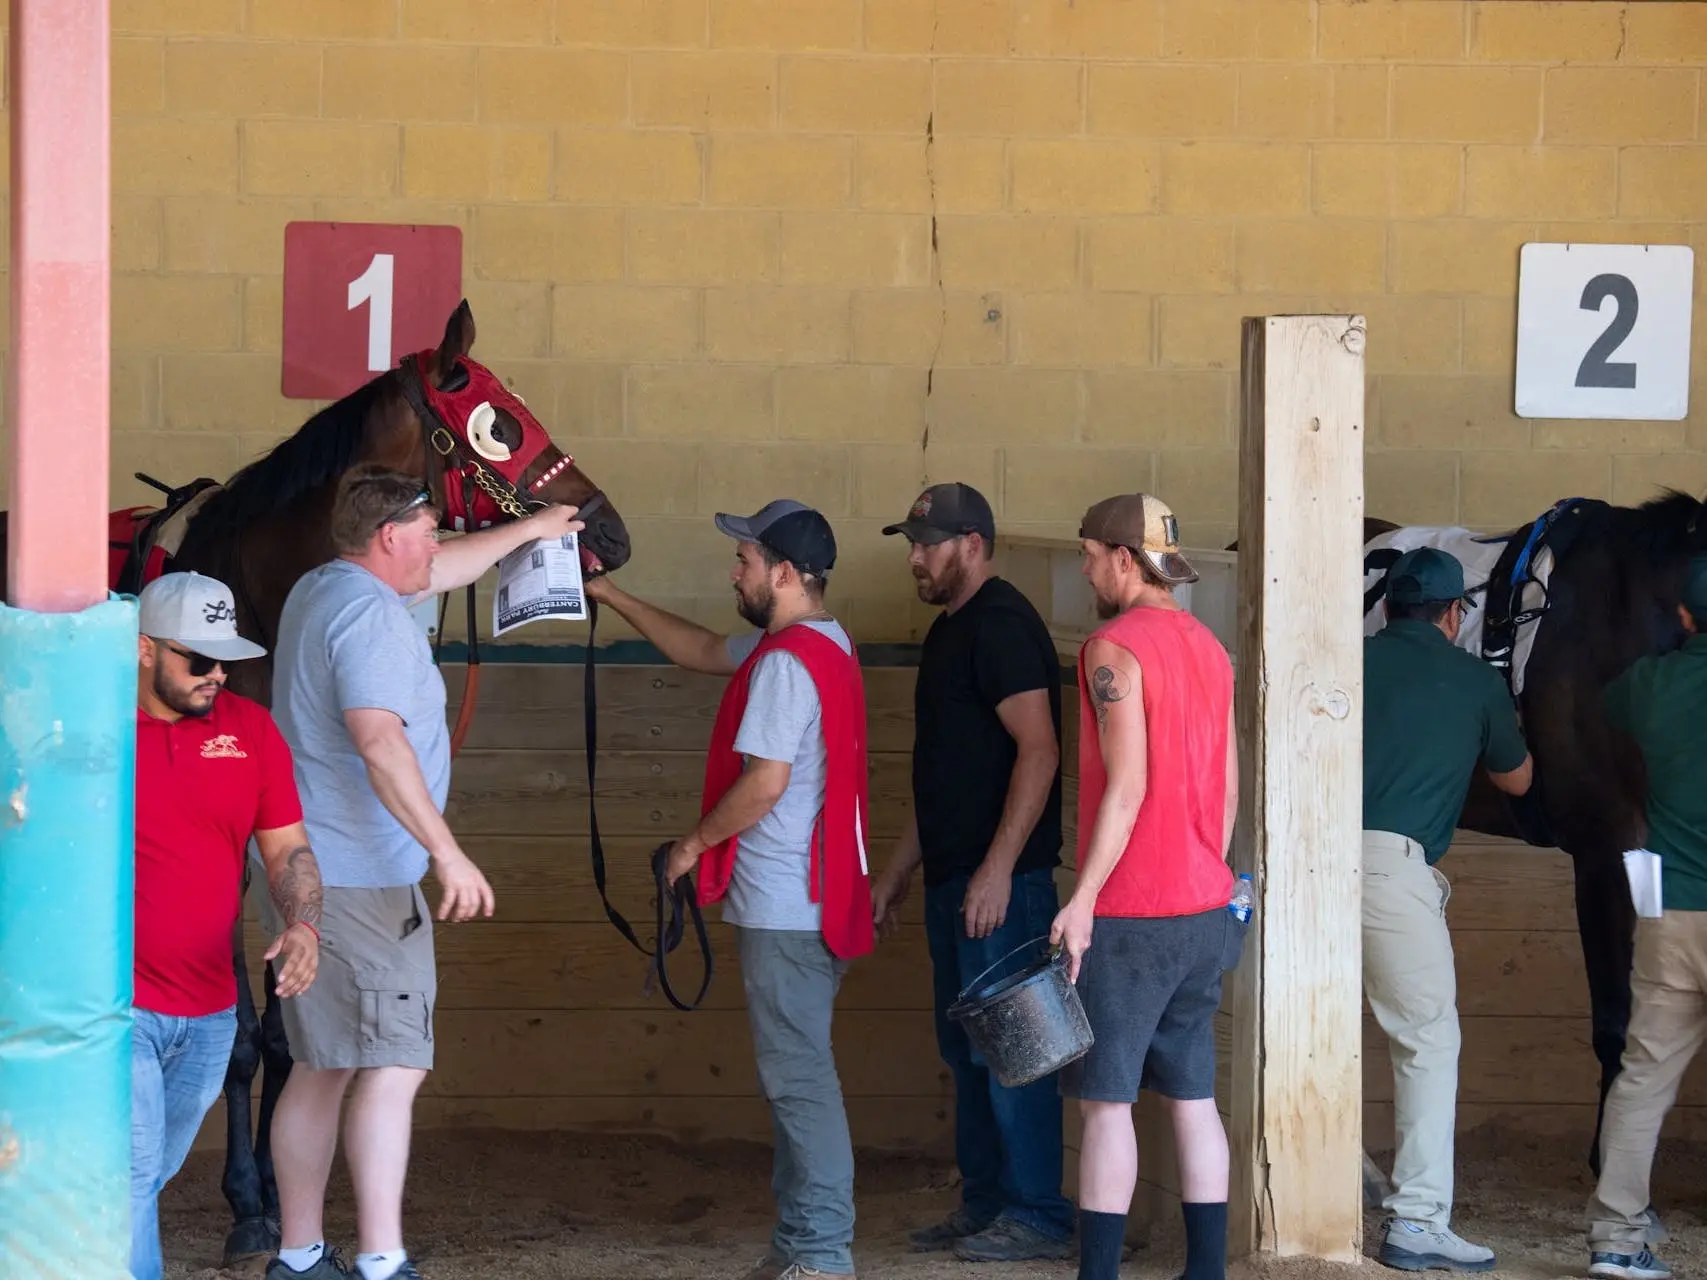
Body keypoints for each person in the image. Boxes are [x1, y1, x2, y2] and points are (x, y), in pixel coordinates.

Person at [262, 465, 583, 1280]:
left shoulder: (326, 589)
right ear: (390, 537)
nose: (438, 546)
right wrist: (447, 853)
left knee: (324, 1062)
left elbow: (444, 569)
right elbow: (379, 739)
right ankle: (378, 1258)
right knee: (394, 1063)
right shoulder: (370, 619)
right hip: (365, 878)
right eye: (428, 531)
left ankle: (300, 1255)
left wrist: (532, 530)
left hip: (314, 870)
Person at [585, 498, 871, 1280]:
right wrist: (610, 597)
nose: (733, 570)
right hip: (815, 897)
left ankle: (820, 1252)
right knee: (796, 1074)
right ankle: (799, 1245)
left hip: (788, 901)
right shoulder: (819, 642)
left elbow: (765, 785)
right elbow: (705, 649)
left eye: (744, 560)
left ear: (782, 572)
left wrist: (691, 845)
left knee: (799, 1079)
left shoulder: (783, 665)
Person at [869, 482, 1075, 1263]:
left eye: (930, 543)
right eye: (913, 543)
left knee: (1016, 1049)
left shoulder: (1002, 626)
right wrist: (895, 874)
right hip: (955, 882)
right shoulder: (948, 634)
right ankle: (989, 1200)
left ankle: (1039, 1213)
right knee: (967, 1051)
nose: (916, 557)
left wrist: (996, 870)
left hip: (1004, 887)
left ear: (975, 545)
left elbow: (1040, 750)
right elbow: (943, 780)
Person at [1048, 493, 1239, 1280]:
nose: (1087, 566)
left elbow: (1125, 788)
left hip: (1132, 912)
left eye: (1090, 552)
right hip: (1205, 904)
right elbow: (1226, 785)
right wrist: (1205, 867)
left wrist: (1082, 899)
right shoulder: (1208, 645)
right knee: (1193, 1098)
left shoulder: (1111, 648)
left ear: (1123, 559)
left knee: (1105, 1104)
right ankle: (1206, 1272)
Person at [131, 570, 325, 1280]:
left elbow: (288, 851)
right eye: (199, 659)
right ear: (144, 650)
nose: (218, 674)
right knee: (128, 1172)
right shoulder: (91, 725)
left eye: (227, 659)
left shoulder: (250, 728)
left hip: (212, 1011)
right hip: (115, 1004)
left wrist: (304, 924)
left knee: (148, 1172)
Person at [1362, 545, 1533, 1273]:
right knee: (1425, 1043)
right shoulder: (1471, 679)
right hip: (1392, 876)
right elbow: (1517, 781)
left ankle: (1331, 1179)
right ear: (1453, 613)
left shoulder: (1345, 661)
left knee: (1309, 1031)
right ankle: (1418, 1220)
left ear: (1387, 607)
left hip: (1299, 864)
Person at [1581, 554, 1707, 1280]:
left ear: (1685, 619)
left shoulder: (1647, 687)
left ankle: (1615, 1239)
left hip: (1672, 913)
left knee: (1641, 1078)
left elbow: (1612, 703)